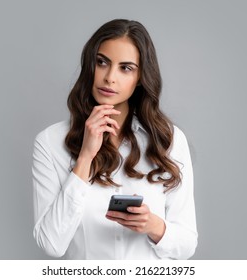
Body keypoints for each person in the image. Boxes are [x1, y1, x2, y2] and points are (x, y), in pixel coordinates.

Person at [32, 19, 198, 259]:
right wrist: (85, 158)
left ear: (141, 77)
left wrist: (153, 225)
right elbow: (51, 244)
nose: (110, 77)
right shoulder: (49, 143)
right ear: (90, 65)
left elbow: (187, 244)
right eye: (102, 63)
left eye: (126, 68)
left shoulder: (168, 140)